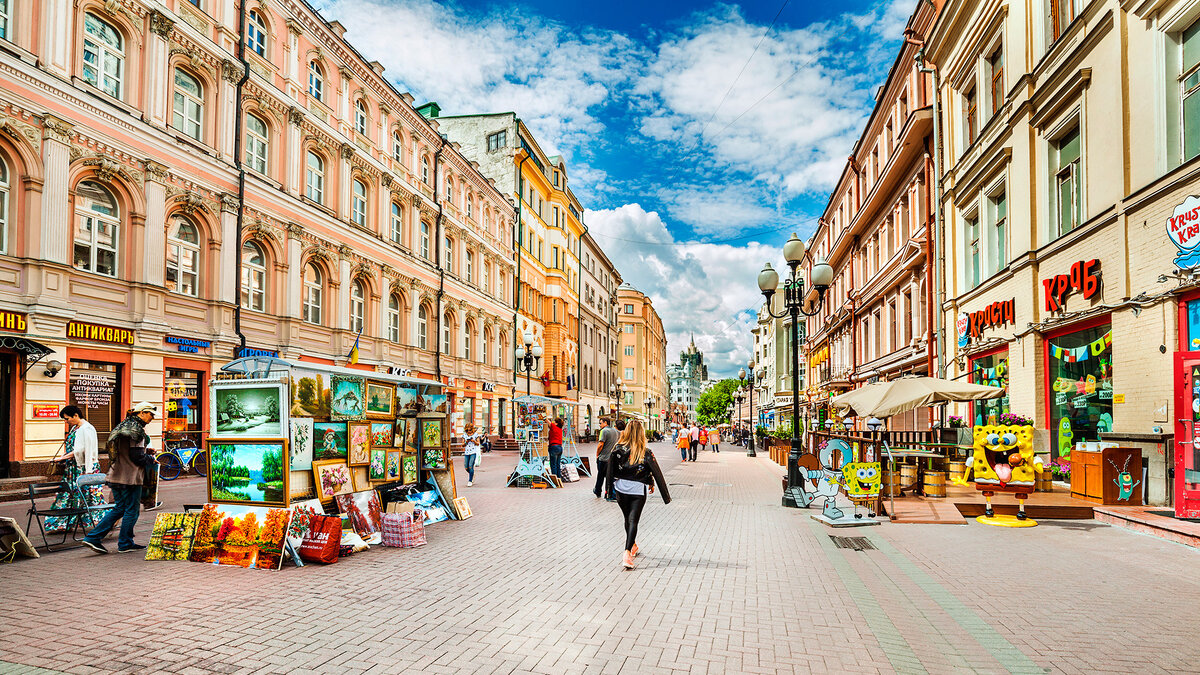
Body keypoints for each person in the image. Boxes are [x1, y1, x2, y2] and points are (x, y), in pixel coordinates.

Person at [81, 402, 158, 554]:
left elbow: (126, 450)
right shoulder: (137, 430)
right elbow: (137, 457)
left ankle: (93, 537)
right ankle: (124, 543)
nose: (152, 417)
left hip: (115, 475)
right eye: (150, 414)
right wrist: (150, 458)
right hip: (130, 477)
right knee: (131, 510)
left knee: (120, 508)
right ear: (141, 413)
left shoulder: (124, 426)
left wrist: (145, 450)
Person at [605, 419, 671, 570]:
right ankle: (627, 552)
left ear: (626, 431)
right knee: (633, 520)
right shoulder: (645, 452)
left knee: (627, 519)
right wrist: (658, 488)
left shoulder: (617, 449)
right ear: (641, 433)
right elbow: (656, 472)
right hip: (637, 491)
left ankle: (632, 545)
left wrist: (609, 488)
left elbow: (609, 469)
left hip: (621, 488)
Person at [44, 406, 107, 533]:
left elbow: (82, 450)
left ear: (76, 415)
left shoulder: (86, 428)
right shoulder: (76, 428)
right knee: (70, 495)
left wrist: (62, 458)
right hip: (74, 468)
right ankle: (62, 523)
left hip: (84, 468)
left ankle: (108, 519)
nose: (66, 422)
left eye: (67, 419)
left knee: (89, 497)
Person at [594, 417, 618, 499]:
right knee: (610, 477)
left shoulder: (604, 431)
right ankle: (608, 493)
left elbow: (601, 444)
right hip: (612, 458)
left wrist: (597, 454)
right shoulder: (615, 431)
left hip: (604, 458)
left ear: (605, 423)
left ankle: (597, 490)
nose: (600, 425)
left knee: (600, 475)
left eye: (600, 423)